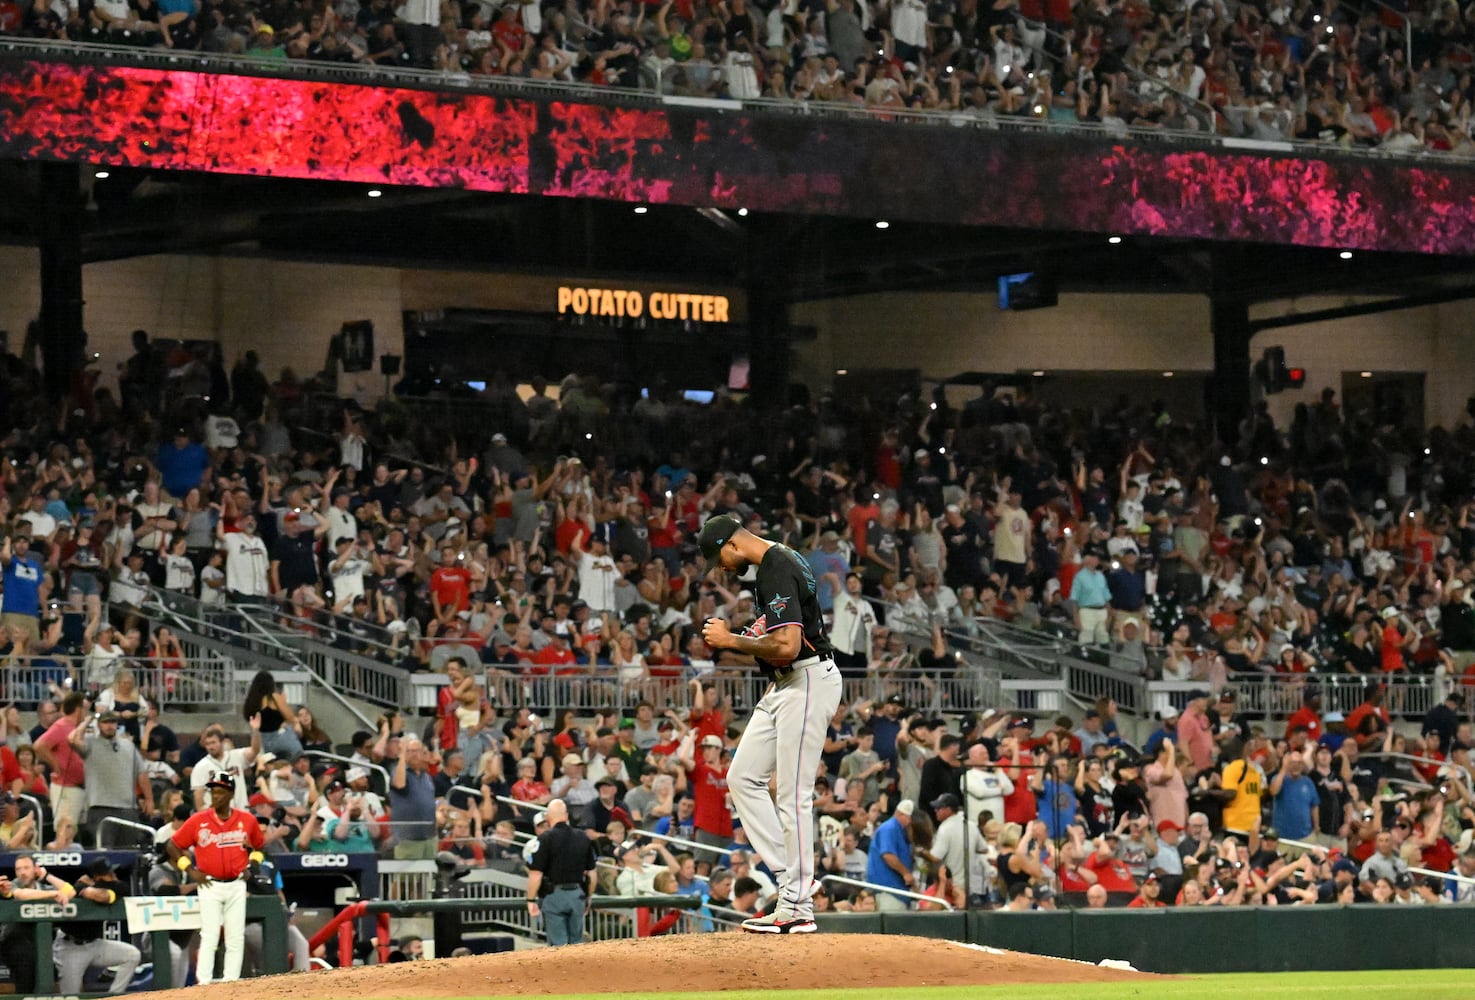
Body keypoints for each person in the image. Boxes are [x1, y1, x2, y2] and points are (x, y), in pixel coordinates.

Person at [698, 513, 842, 934]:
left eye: (719, 557)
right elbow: (776, 638)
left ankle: (797, 906)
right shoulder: (780, 561)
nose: (722, 567)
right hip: (785, 684)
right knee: (742, 777)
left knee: (793, 794)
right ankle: (794, 875)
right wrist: (748, 642)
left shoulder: (777, 565)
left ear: (731, 544)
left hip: (807, 677)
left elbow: (788, 644)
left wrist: (731, 641)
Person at [166, 772, 266, 985]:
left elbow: (259, 846)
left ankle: (231, 982)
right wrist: (190, 870)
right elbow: (172, 845)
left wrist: (252, 865)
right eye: (213, 791)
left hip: (236, 883)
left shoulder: (246, 820)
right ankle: (204, 983)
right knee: (210, 935)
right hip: (210, 884)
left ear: (231, 794)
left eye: (220, 792)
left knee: (235, 936)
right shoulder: (199, 820)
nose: (215, 796)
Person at [54, 858, 140, 995]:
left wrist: (90, 889)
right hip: (71, 947)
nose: (113, 875)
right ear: (97, 877)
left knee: (132, 955)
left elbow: (106, 895)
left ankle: (114, 996)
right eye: (108, 873)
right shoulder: (79, 885)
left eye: (112, 871)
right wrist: (87, 889)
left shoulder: (114, 885)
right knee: (70, 996)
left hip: (95, 945)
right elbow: (83, 891)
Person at [526, 799, 598, 947]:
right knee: (576, 943)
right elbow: (592, 873)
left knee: (558, 946)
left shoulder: (544, 839)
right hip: (577, 894)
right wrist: (588, 897)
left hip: (554, 896)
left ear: (548, 817)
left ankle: (562, 970)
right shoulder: (583, 837)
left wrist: (531, 899)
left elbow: (536, 874)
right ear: (566, 816)